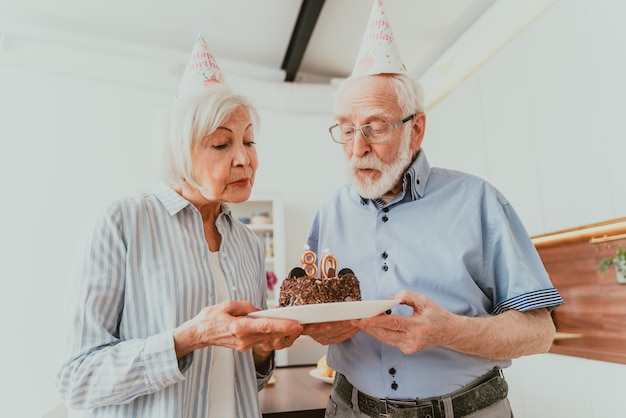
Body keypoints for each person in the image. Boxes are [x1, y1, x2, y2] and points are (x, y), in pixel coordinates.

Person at [302, 2, 564, 417]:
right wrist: (319, 328)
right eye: (347, 129)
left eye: (375, 127)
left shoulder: (478, 201)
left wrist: (451, 331)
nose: (357, 148)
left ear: (416, 128)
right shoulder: (330, 211)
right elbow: (312, 307)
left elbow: (540, 333)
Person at [54, 36, 303, 418]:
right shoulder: (122, 224)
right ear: (179, 153)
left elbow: (241, 383)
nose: (244, 159)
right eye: (221, 145)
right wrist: (188, 338)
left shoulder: (249, 244)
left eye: (249, 141)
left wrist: (261, 350)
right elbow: (77, 380)